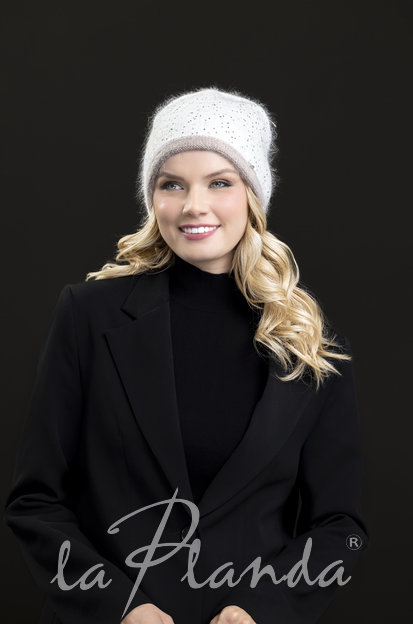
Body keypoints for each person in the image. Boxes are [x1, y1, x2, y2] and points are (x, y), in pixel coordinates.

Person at [3, 86, 369, 624]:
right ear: (152, 198)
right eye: (172, 184)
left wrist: (261, 609)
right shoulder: (88, 316)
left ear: (253, 195)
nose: (193, 205)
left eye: (219, 182)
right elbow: (35, 502)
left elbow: (342, 529)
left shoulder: (307, 342)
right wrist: (120, 606)